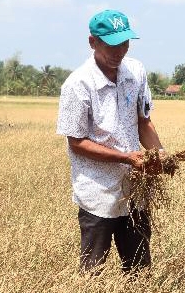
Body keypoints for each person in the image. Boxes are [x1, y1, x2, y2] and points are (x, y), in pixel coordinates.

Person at [56, 9, 165, 275]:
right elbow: (77, 142)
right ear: (93, 42)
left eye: (125, 43)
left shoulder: (136, 72)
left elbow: (144, 122)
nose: (120, 51)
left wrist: (159, 154)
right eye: (112, 44)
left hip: (134, 190)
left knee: (140, 270)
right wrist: (126, 157)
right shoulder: (78, 84)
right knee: (93, 272)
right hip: (97, 192)